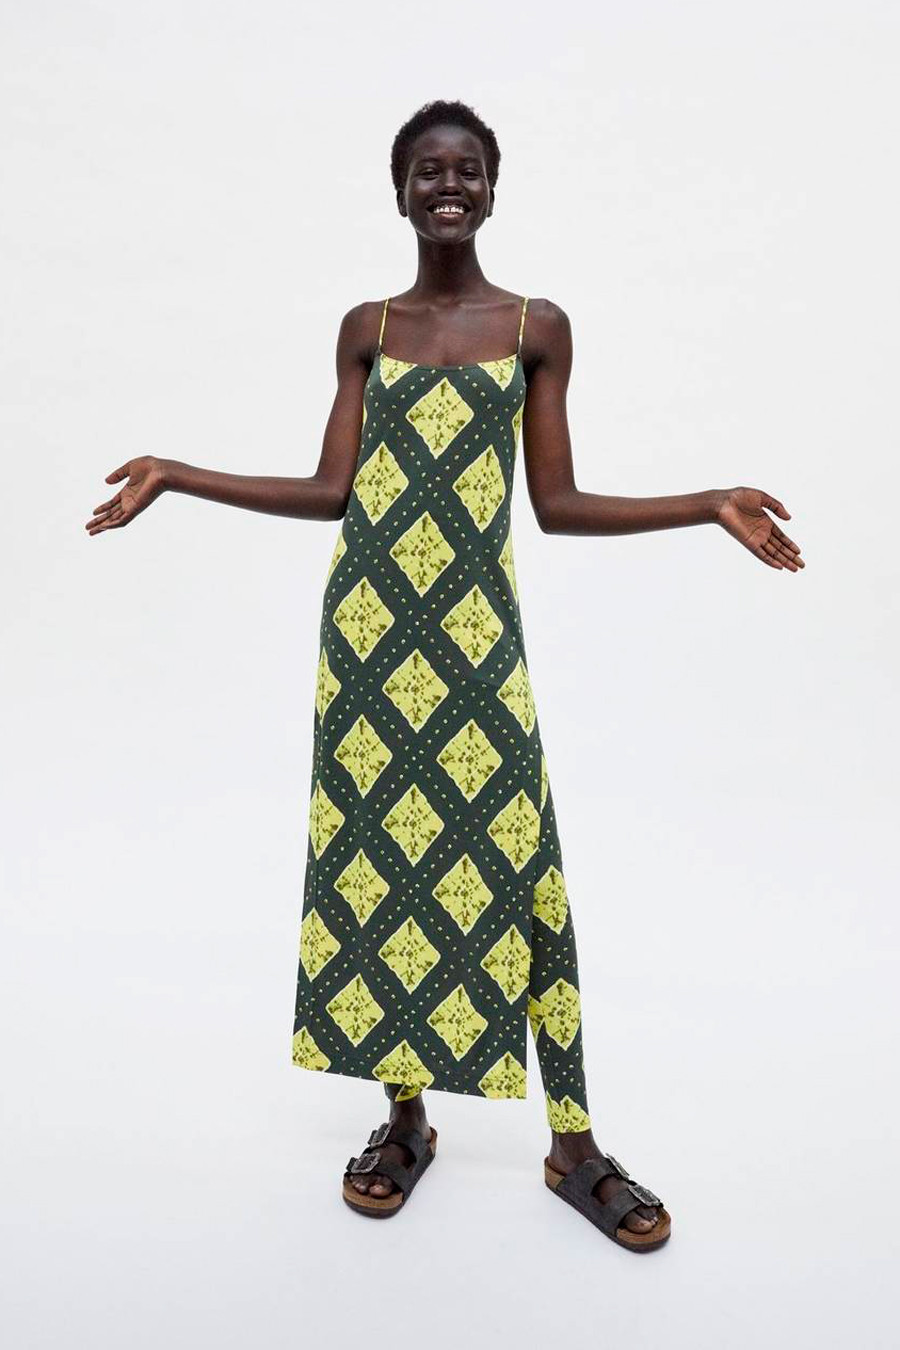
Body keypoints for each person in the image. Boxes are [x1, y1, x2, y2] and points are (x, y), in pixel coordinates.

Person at [86, 99, 803, 1250]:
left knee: (526, 869)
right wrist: (176, 474)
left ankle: (574, 1146)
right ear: (401, 191)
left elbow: (558, 505)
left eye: (467, 168)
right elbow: (331, 491)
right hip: (369, 641)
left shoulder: (535, 327)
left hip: (475, 645)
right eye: (428, 170)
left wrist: (706, 503)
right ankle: (406, 1120)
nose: (449, 184)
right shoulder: (367, 328)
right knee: (383, 876)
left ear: (493, 188)